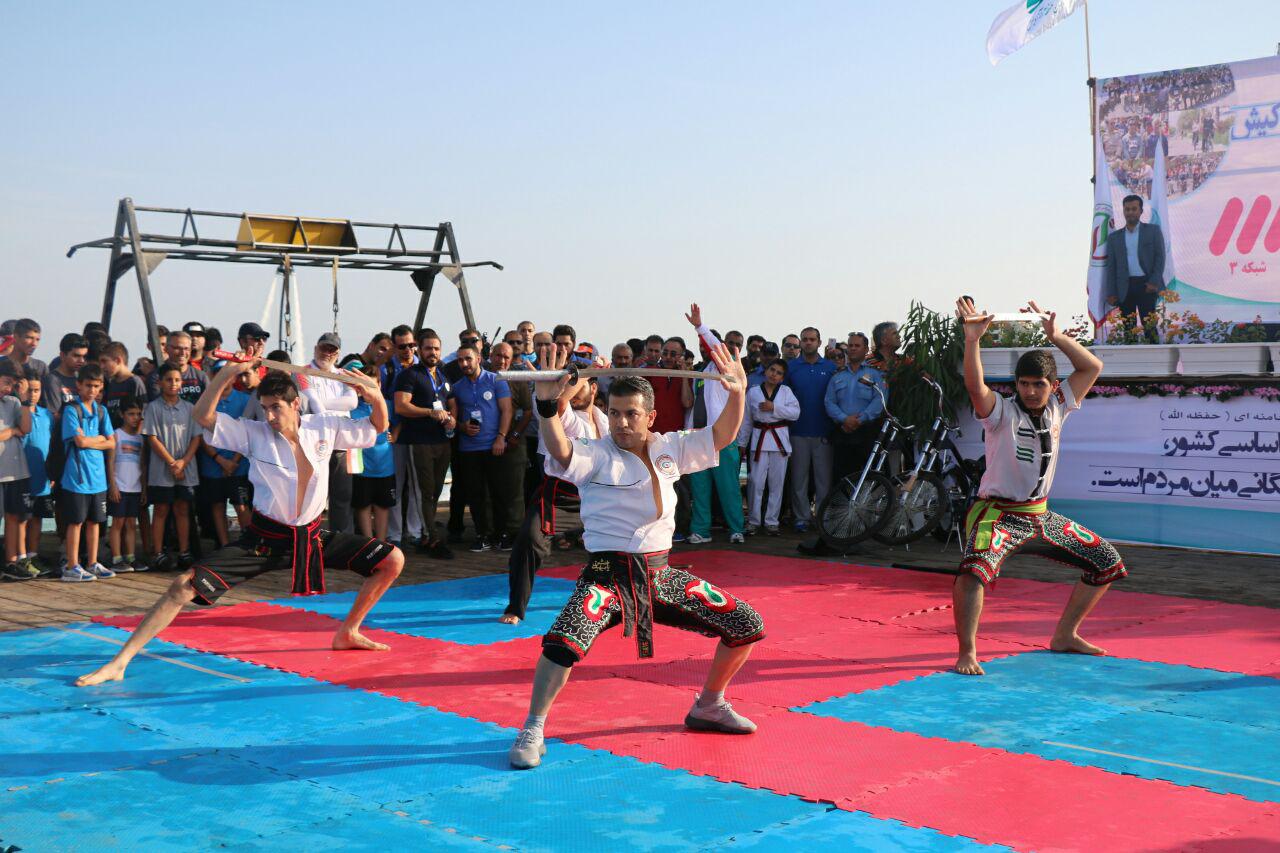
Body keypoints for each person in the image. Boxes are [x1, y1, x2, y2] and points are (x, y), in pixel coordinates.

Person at [507, 341, 764, 770]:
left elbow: (722, 436)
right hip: (606, 578)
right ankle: (533, 727)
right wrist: (548, 407)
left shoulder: (670, 447)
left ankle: (709, 704)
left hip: (661, 575)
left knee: (746, 625)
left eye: (631, 414)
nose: (621, 423)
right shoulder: (596, 453)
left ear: (650, 416)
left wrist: (736, 393)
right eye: (614, 413)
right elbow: (561, 449)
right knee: (562, 642)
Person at [76, 360, 404, 689]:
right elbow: (203, 417)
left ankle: (348, 631)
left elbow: (377, 427)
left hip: (311, 535)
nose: (270, 416)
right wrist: (226, 374)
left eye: (276, 408)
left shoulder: (324, 427)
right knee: (181, 587)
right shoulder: (253, 433)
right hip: (263, 540)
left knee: (392, 560)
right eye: (264, 408)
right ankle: (120, 662)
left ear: (295, 404)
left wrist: (375, 396)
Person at [953, 297, 1126, 676]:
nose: (1030, 391)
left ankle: (1065, 635)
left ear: (1053, 386)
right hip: (997, 515)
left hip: (1039, 516)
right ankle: (967, 652)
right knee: (973, 571)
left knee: (1107, 562)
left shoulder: (1059, 405)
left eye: (1038, 384)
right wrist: (972, 340)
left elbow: (1092, 366)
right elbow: (974, 386)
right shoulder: (1000, 412)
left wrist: (1056, 336)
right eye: (1024, 384)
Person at [500, 373, 607, 626]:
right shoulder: (569, 417)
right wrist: (585, 372)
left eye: (576, 385)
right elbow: (559, 404)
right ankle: (516, 607)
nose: (570, 390)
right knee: (528, 541)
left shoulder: (604, 420)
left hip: (595, 494)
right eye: (569, 385)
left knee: (616, 544)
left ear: (593, 389)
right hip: (558, 495)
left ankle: (614, 598)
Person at [681, 305, 746, 545]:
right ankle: (701, 530)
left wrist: (700, 327)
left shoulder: (724, 368)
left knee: (728, 487)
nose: (704, 348)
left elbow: (714, 345)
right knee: (700, 488)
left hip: (722, 437)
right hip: (699, 436)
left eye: (706, 345)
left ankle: (736, 529)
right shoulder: (701, 372)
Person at [392, 328, 456, 558]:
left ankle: (425, 532)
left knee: (435, 490)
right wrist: (429, 412)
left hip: (442, 440)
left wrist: (452, 419)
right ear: (419, 349)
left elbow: (451, 402)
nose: (433, 352)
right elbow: (401, 406)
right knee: (422, 491)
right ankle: (429, 536)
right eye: (428, 348)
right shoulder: (409, 375)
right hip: (418, 441)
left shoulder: (443, 376)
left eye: (436, 348)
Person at [451, 345, 513, 552]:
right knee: (475, 495)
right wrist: (462, 427)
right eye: (460, 360)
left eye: (468, 359)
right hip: (468, 449)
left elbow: (507, 410)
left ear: (478, 358)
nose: (464, 364)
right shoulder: (457, 387)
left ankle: (502, 534)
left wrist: (501, 437)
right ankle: (482, 535)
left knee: (499, 492)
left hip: (494, 445)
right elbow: (454, 419)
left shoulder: (496, 380)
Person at [59, 363, 115, 582]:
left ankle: (92, 562)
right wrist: (99, 439)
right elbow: (79, 442)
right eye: (88, 385)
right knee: (76, 522)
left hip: (98, 478)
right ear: (79, 385)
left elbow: (112, 442)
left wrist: (92, 440)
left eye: (96, 386)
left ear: (101, 387)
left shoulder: (102, 411)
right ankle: (72, 566)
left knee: (95, 521)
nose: (92, 390)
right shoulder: (72, 410)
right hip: (77, 477)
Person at [144, 363, 201, 570]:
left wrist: (183, 462)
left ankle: (184, 551)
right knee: (161, 509)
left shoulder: (190, 408)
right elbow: (152, 437)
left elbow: (196, 437)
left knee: (182, 509)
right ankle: (158, 553)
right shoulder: (153, 408)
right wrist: (172, 462)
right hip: (162, 470)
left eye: (177, 380)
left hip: (186, 468)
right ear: (160, 382)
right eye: (169, 380)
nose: (173, 384)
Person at [302, 332, 358, 534]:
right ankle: (310, 538)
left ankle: (341, 540)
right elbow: (313, 406)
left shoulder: (344, 375)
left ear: (337, 354)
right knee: (313, 496)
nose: (327, 353)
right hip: (314, 444)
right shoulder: (302, 372)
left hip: (341, 443)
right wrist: (328, 406)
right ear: (315, 348)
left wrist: (320, 403)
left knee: (342, 496)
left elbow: (352, 402)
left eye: (331, 350)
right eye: (323, 348)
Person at [785, 327, 836, 532]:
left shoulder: (831, 367)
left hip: (824, 431)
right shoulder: (791, 367)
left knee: (824, 480)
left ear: (819, 342)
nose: (808, 342)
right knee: (799, 479)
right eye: (804, 339)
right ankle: (801, 518)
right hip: (797, 430)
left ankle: (823, 517)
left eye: (812, 339)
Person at [741, 359, 799, 535]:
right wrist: (742, 443)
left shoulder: (786, 392)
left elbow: (795, 413)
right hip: (759, 438)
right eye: (772, 370)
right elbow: (746, 419)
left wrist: (774, 407)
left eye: (779, 373)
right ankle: (753, 520)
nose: (774, 374)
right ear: (766, 371)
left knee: (776, 484)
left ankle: (771, 522)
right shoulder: (753, 392)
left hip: (779, 440)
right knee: (755, 482)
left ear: (782, 378)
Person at [196, 380, 253, 548]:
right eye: (216, 374)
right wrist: (220, 460)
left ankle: (248, 544)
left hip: (239, 466)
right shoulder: (206, 401)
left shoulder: (245, 400)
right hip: (212, 467)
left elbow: (250, 432)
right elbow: (200, 434)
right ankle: (224, 546)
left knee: (241, 505)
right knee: (217, 505)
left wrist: (234, 461)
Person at [824, 332, 886, 483]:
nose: (852, 348)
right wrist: (845, 419)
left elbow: (880, 400)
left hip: (867, 433)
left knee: (870, 480)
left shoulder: (875, 374)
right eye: (850, 345)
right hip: (843, 433)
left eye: (857, 345)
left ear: (866, 349)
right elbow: (829, 402)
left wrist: (860, 419)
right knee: (842, 481)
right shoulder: (837, 376)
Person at [487, 341, 530, 550]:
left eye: (506, 357)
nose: (502, 360)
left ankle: (514, 532)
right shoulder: (483, 377)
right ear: (491, 356)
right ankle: (496, 530)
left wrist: (514, 434)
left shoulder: (517, 380)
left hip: (514, 443)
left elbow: (528, 411)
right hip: (487, 442)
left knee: (514, 492)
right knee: (492, 490)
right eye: (498, 355)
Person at [1103, 194, 1166, 319]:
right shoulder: (1114, 238)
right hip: (1124, 287)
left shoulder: (1153, 231)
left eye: (1134, 209)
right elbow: (1111, 267)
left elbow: (1160, 258)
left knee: (1149, 326)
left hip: (1146, 285)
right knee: (1128, 327)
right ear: (1123, 211)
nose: (1130, 212)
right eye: (1127, 209)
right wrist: (1111, 292)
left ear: (1141, 211)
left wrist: (1153, 282)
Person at [350, 373, 396, 541]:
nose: (367, 389)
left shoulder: (388, 404)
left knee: (382, 506)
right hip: (362, 467)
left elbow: (399, 422)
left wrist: (395, 435)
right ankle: (368, 543)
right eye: (363, 385)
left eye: (371, 385)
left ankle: (381, 544)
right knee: (363, 506)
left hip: (385, 466)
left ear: (379, 385)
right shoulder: (352, 407)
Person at [0, 361, 33, 580]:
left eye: (12, 384)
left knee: (13, 516)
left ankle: (11, 562)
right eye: (6, 382)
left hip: (15, 471)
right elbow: (12, 432)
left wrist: (24, 400)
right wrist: (12, 431)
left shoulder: (12, 402)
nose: (8, 388)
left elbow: (26, 428)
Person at [20, 375, 55, 576]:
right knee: (21, 519)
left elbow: (52, 446)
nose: (33, 394)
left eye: (36, 390)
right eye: (29, 390)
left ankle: (33, 555)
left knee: (37, 518)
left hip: (42, 477)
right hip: (21, 476)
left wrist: (53, 473)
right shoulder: (18, 412)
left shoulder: (47, 415)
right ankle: (21, 557)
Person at [106, 397, 146, 572]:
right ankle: (116, 559)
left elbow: (143, 465)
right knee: (118, 523)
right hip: (120, 486)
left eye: (138, 414)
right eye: (131, 414)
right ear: (122, 414)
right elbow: (110, 462)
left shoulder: (141, 438)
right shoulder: (116, 434)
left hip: (135, 487)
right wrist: (112, 485)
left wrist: (144, 489)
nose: (135, 418)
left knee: (131, 523)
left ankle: (130, 557)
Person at [0, 319, 53, 411]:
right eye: (29, 338)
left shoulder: (41, 367)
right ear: (16, 337)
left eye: (37, 339)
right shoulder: (1, 363)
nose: (34, 344)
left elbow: (46, 402)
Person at [146, 331, 207, 405]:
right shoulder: (156, 377)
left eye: (186, 349)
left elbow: (210, 402)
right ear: (166, 349)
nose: (183, 353)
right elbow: (160, 406)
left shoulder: (201, 376)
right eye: (177, 348)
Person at [99, 342, 147, 427]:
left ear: (117, 360)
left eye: (104, 361)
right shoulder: (111, 384)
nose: (102, 366)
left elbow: (143, 414)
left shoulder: (134, 382)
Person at [48, 333, 89, 416]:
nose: (81, 360)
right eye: (76, 356)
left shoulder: (82, 379)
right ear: (62, 355)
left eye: (84, 356)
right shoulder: (52, 380)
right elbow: (54, 415)